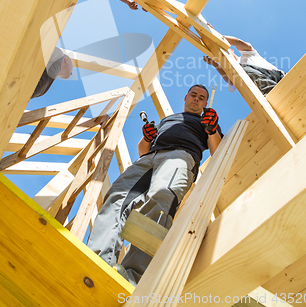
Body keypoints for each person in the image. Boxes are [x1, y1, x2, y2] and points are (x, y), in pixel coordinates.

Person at [87, 84, 223, 285]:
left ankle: (132, 277)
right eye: (193, 95)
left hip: (181, 156)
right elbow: (143, 149)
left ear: (205, 103)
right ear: (185, 97)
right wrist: (147, 137)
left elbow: (217, 150)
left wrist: (212, 129)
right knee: (117, 196)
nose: (197, 99)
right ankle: (97, 260)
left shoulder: (205, 121)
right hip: (149, 158)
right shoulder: (168, 120)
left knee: (161, 196)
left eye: (202, 98)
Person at [204, 36, 285, 96]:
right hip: (266, 87)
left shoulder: (246, 54)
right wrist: (216, 65)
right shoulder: (236, 72)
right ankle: (271, 93)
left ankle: (271, 92)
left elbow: (239, 42)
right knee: (239, 72)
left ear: (231, 50)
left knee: (240, 70)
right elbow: (231, 81)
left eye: (225, 52)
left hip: (278, 77)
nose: (224, 56)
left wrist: (216, 37)